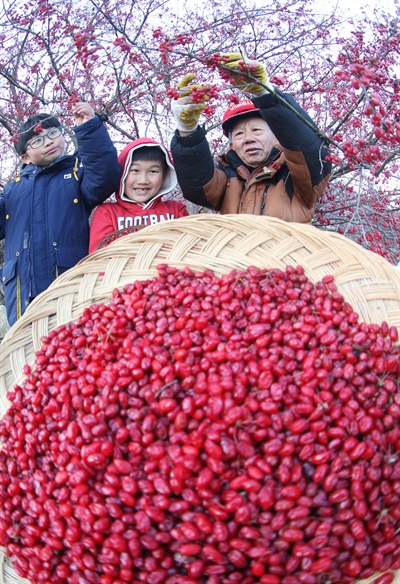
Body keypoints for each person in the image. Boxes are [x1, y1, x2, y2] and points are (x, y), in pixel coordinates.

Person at [170, 53, 332, 222]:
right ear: (232, 145)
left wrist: (266, 95)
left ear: (277, 138)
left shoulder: (295, 177)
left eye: (256, 130)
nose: (248, 138)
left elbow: (313, 153)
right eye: (239, 134)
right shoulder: (227, 178)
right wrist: (187, 132)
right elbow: (197, 185)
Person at [0, 102, 121, 325]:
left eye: (53, 133)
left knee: (70, 345)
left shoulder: (75, 175)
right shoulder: (12, 192)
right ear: (25, 157)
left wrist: (89, 129)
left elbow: (104, 177)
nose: (48, 142)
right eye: (37, 141)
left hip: (66, 283)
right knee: (27, 351)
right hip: (21, 291)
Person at [89, 137, 189, 253]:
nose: (143, 180)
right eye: (135, 170)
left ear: (164, 176)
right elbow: (99, 257)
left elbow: (188, 250)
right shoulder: (107, 213)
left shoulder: (176, 210)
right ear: (122, 174)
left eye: (153, 171)